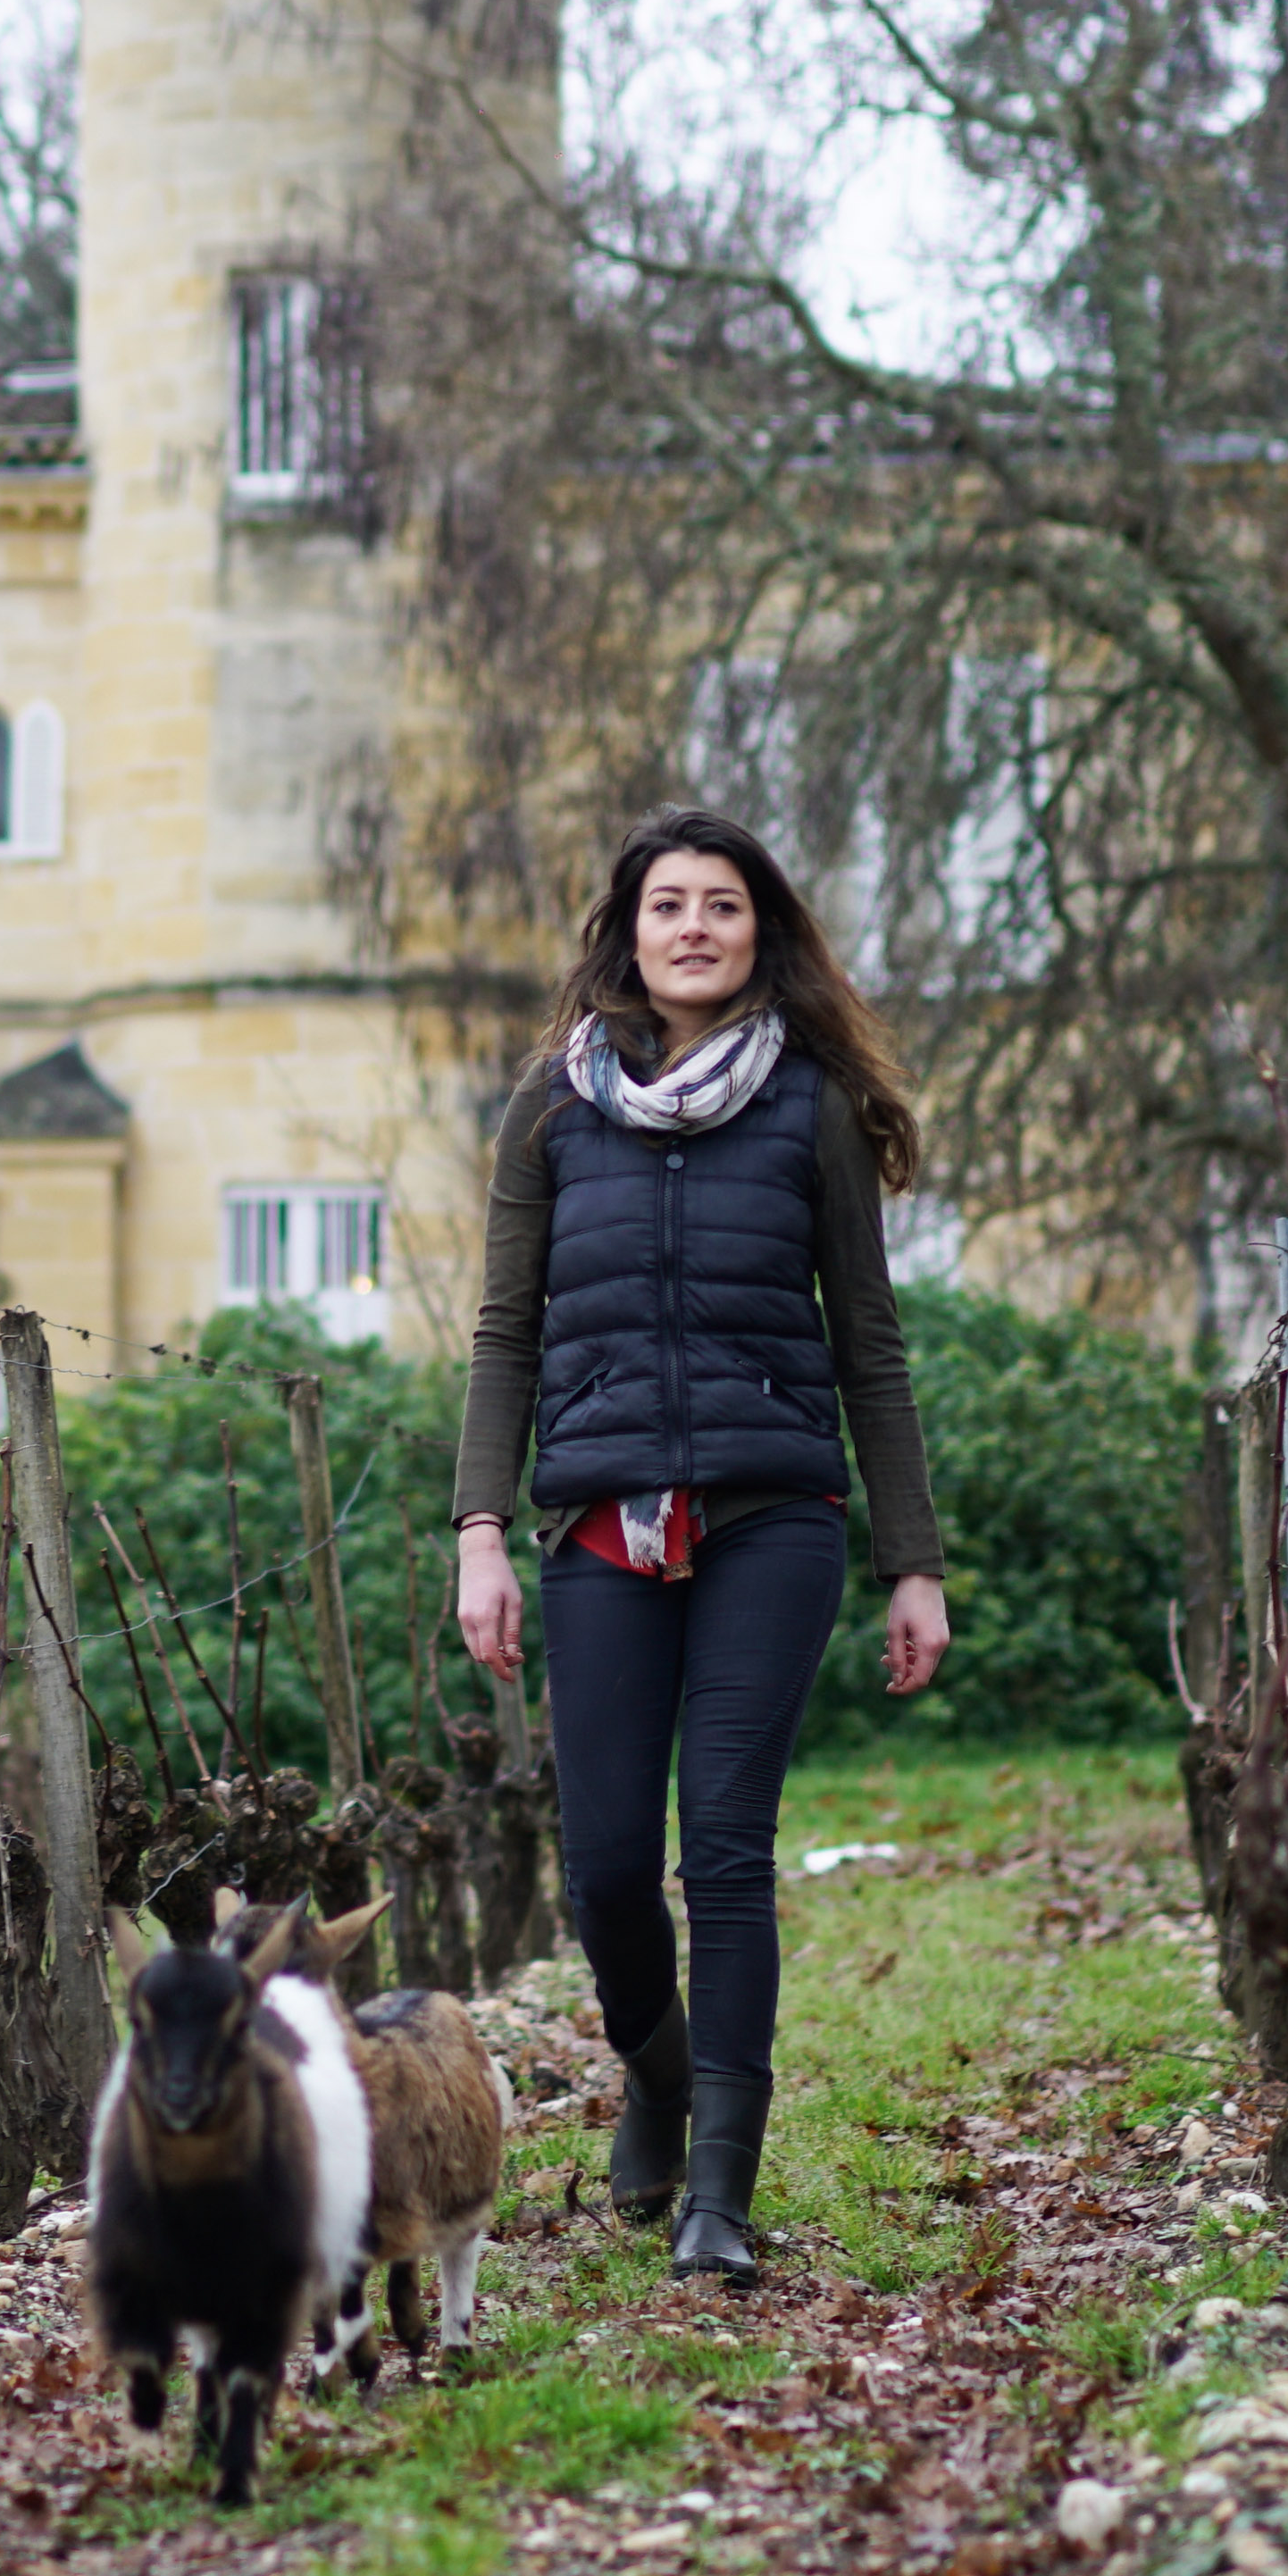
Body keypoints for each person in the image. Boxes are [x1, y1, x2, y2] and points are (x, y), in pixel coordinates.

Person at [451, 808, 949, 2280]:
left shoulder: (810, 1110)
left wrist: (908, 1558)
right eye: (667, 904)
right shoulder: (553, 1103)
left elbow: (870, 1346)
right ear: (629, 928)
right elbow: (505, 1331)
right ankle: (657, 2075)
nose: (693, 927)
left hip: (769, 1521)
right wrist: (482, 1527)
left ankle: (718, 2192)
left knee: (724, 1848)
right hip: (599, 1520)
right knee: (606, 1866)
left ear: (758, 933)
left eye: (721, 906)